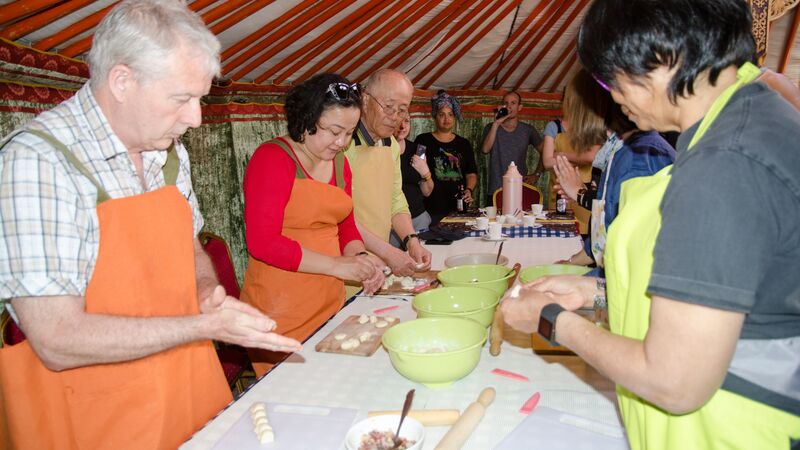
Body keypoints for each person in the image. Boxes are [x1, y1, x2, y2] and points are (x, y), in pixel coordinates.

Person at [0, 1, 302, 448]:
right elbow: (57, 339)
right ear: (122, 81)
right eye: (182, 99)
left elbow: (189, 244)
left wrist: (206, 294)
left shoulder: (167, 150)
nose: (195, 118)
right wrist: (202, 328)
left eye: (199, 98)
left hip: (186, 394)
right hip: (92, 417)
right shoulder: (37, 163)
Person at [502, 1, 800, 449]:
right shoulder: (750, 122)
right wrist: (599, 291)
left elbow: (674, 381)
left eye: (611, 78)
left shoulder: (724, 164)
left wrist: (550, 319)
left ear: (661, 58)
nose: (611, 96)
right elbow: (737, 295)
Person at [241, 74, 384, 376]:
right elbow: (262, 242)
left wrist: (359, 258)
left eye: (348, 133)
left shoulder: (340, 164)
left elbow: (345, 226)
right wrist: (336, 265)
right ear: (307, 119)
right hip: (280, 312)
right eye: (334, 131)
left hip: (328, 304)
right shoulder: (272, 159)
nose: (341, 142)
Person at [553, 76, 675, 268]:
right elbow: (607, 228)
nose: (569, 122)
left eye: (572, 111)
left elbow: (633, 258)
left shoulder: (640, 157)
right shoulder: (618, 152)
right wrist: (569, 265)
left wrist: (579, 193)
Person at [344, 68, 431, 275]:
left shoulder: (390, 144)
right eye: (389, 107)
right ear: (365, 99)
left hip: (380, 261)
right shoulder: (343, 145)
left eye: (402, 110)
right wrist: (389, 253)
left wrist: (411, 241)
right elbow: (341, 216)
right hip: (348, 262)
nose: (395, 117)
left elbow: (395, 198)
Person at [414, 90, 478, 223]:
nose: (446, 119)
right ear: (434, 116)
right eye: (441, 114)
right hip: (430, 209)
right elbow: (416, 170)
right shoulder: (422, 141)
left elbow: (471, 173)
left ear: (455, 117)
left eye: (450, 115)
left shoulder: (463, 144)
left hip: (459, 209)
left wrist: (468, 190)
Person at [480, 91, 543, 199]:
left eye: (513, 103)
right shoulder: (491, 127)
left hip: (520, 189)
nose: (509, 106)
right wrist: (496, 123)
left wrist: (536, 174)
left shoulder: (528, 130)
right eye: (506, 103)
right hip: (496, 190)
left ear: (519, 107)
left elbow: (545, 151)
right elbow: (485, 150)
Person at [389, 116, 434, 248]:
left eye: (406, 121)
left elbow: (427, 191)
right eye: (398, 121)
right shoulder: (381, 150)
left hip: (418, 219)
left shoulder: (418, 150)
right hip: (392, 223)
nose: (403, 126)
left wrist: (426, 173)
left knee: (422, 260)